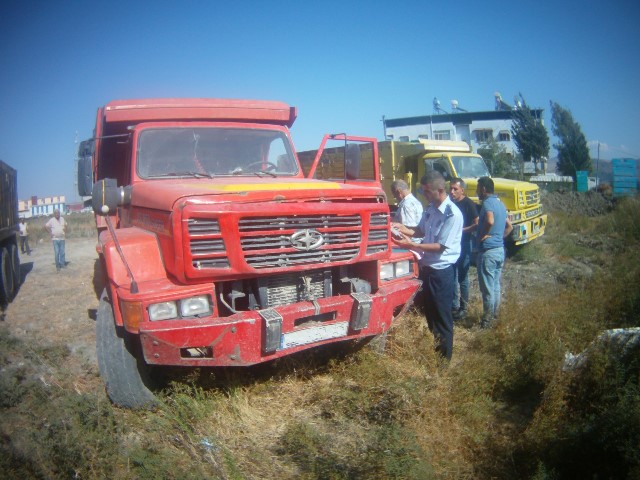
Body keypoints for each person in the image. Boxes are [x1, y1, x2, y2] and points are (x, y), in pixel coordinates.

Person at [392, 171, 463, 361]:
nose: (424, 195)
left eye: (427, 191)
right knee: (430, 316)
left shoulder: (452, 214)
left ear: (440, 190)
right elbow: (420, 230)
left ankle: (443, 363)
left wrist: (412, 245)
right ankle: (436, 353)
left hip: (441, 273)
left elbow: (440, 247)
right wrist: (401, 228)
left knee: (442, 319)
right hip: (427, 270)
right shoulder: (431, 208)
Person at [476, 177, 513, 328]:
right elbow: (509, 226)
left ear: (484, 189)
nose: (477, 191)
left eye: (478, 188)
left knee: (487, 288)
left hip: (489, 252)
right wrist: (499, 237)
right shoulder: (500, 203)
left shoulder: (488, 203)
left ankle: (487, 320)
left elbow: (489, 221)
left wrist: (482, 236)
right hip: (499, 250)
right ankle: (495, 315)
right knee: (496, 285)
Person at [449, 178, 478, 319]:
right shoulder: (450, 203)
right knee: (452, 274)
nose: (452, 191)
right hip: (451, 244)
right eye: (450, 188)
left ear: (462, 190)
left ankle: (464, 307)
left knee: (463, 276)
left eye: (455, 189)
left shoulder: (469, 204)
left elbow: (476, 224)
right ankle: (454, 305)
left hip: (464, 243)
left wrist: (461, 230)